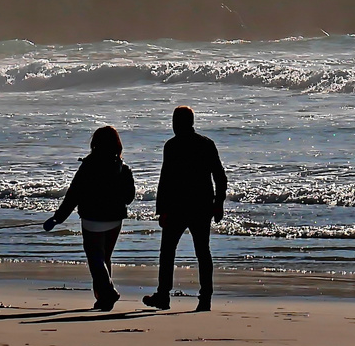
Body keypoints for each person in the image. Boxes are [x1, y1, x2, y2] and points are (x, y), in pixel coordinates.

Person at [143, 105, 227, 312]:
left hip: (176, 207)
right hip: (201, 206)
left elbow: (165, 181)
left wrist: (161, 210)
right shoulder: (206, 144)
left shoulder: (171, 146)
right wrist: (219, 204)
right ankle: (205, 298)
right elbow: (220, 177)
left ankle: (163, 296)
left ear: (176, 123)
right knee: (203, 252)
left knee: (168, 252)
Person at [44, 126, 137, 311]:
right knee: (104, 258)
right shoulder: (123, 168)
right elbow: (129, 197)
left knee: (96, 258)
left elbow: (73, 195)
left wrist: (58, 218)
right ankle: (103, 298)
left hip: (92, 218)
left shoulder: (88, 166)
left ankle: (108, 291)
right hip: (114, 219)